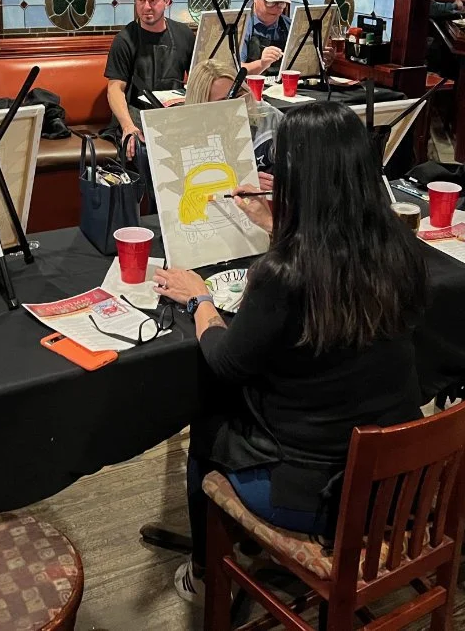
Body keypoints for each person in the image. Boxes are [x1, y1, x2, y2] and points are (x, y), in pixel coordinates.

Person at [153, 101, 427, 602]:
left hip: (323, 493)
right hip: (400, 475)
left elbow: (227, 362)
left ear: (301, 182)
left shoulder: (284, 274)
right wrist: (278, 228)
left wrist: (200, 300)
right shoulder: (398, 244)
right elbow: (333, 264)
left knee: (210, 420)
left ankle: (205, 573)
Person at [104, 0, 195, 158]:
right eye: (141, 1)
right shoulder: (124, 39)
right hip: (137, 114)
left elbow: (198, 78)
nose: (146, 7)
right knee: (146, 151)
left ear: (167, 1)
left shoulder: (184, 33)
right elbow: (115, 89)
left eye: (153, 1)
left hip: (174, 114)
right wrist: (128, 126)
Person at [184, 58, 283, 185]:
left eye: (239, 95)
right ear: (202, 108)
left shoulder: (268, 116)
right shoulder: (192, 138)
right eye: (223, 102)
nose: (236, 105)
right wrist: (241, 182)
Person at [239, 0, 292, 77]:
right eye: (271, 2)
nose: (277, 9)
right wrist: (262, 64)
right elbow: (234, 70)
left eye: (281, 3)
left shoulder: (289, 26)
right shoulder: (241, 25)